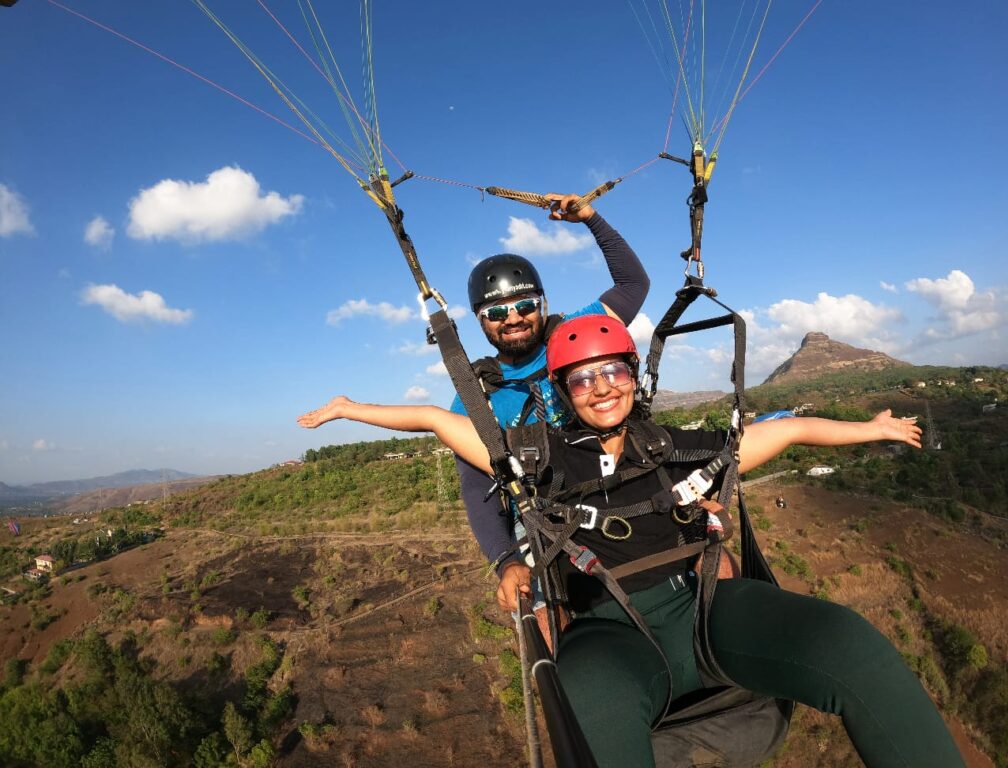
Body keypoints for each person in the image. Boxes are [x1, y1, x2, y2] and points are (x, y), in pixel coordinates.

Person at [297, 315, 965, 768]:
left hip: (703, 611)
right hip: (608, 633)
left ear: (633, 376)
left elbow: (782, 432)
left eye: (612, 370)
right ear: (562, 391)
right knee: (590, 715)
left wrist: (871, 429)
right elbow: (433, 420)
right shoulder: (539, 457)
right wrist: (352, 408)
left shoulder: (674, 449)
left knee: (849, 643)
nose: (602, 387)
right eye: (582, 378)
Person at [455, 194, 650, 584]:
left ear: (542, 304)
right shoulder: (476, 396)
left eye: (524, 305)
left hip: (618, 487)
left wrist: (592, 219)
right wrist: (506, 560)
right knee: (544, 620)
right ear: (480, 321)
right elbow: (478, 484)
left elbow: (633, 284)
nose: (513, 318)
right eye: (496, 312)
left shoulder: (575, 333)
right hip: (545, 519)